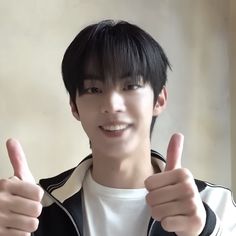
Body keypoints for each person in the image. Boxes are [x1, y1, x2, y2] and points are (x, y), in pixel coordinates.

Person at [0, 19, 235, 236]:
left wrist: (206, 229)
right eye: (94, 89)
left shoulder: (214, 204)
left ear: (159, 99)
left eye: (130, 86)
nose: (112, 105)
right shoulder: (32, 209)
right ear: (74, 106)